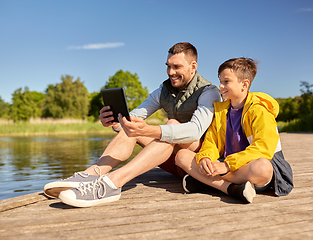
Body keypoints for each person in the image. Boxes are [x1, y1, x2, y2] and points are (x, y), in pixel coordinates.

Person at [43, 42, 222, 207]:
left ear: (193, 67)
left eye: (176, 67)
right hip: (170, 158)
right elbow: (135, 117)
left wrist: (151, 130)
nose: (170, 72)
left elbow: (195, 131)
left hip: (196, 161)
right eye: (168, 66)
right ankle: (92, 174)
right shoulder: (163, 90)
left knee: (171, 125)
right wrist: (116, 122)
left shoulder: (208, 92)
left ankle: (112, 183)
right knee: (133, 124)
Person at [175, 57, 293, 203]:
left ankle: (207, 181)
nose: (220, 86)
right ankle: (231, 188)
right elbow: (211, 142)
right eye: (220, 81)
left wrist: (225, 166)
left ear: (244, 84)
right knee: (181, 156)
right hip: (226, 165)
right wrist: (206, 158)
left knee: (263, 168)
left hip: (247, 169)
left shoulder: (259, 111)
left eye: (226, 81)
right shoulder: (221, 111)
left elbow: (263, 148)